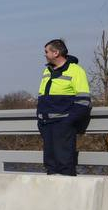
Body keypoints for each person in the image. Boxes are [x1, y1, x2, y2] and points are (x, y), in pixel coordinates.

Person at [36, 39, 91, 176]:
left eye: (46, 52)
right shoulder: (47, 71)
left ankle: (68, 196)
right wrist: (40, 119)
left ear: (56, 53)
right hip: (46, 124)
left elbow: (84, 101)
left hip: (63, 125)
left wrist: (67, 122)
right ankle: (53, 196)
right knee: (50, 165)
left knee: (65, 164)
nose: (45, 55)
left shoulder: (76, 71)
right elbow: (42, 96)